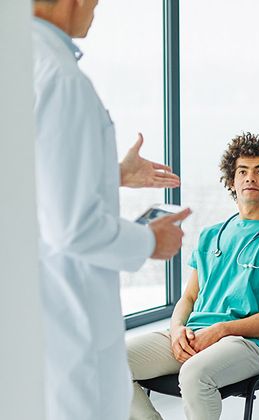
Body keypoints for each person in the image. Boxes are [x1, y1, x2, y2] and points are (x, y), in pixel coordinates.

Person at [32, 1, 188, 419]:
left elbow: (37, 181)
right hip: (69, 318)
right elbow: (71, 228)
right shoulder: (63, 79)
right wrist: (150, 240)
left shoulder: (22, 65)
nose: (97, 8)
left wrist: (112, 173)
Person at [126, 134, 259, 420]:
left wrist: (224, 329)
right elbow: (188, 298)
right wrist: (177, 329)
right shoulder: (212, 235)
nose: (250, 178)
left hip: (249, 343)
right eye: (243, 171)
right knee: (110, 360)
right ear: (232, 179)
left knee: (194, 374)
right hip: (193, 335)